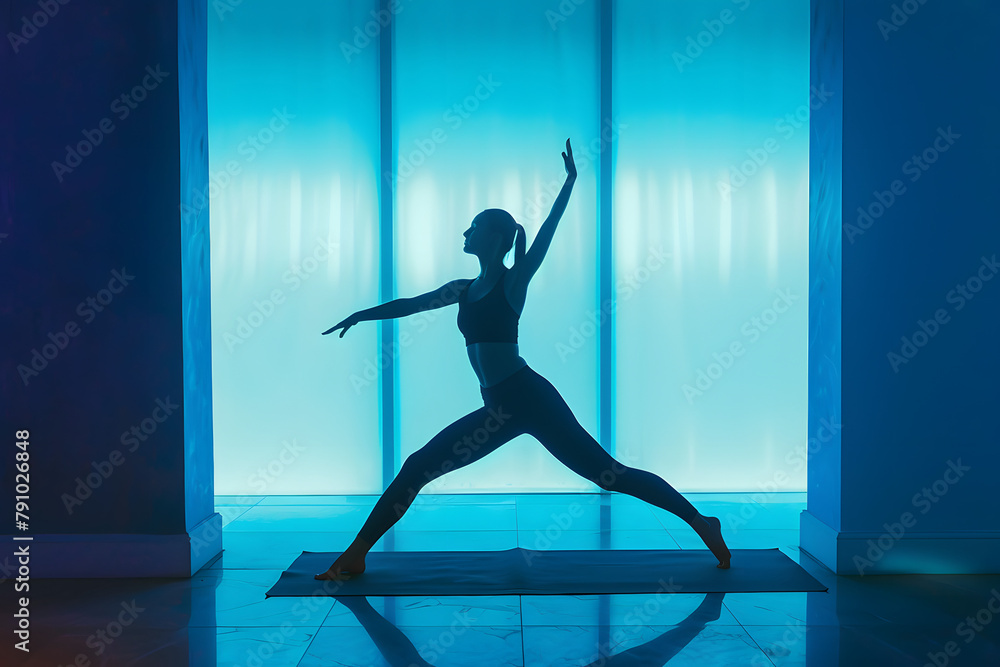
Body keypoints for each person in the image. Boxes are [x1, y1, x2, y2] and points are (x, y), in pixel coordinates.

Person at [316, 139, 730, 580]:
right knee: (419, 465)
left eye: (472, 227)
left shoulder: (514, 283)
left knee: (609, 475)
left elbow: (549, 230)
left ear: (493, 237)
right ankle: (356, 554)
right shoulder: (461, 289)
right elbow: (411, 304)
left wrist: (570, 182)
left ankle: (702, 523)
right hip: (497, 408)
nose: (464, 233)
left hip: (530, 398)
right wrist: (363, 314)